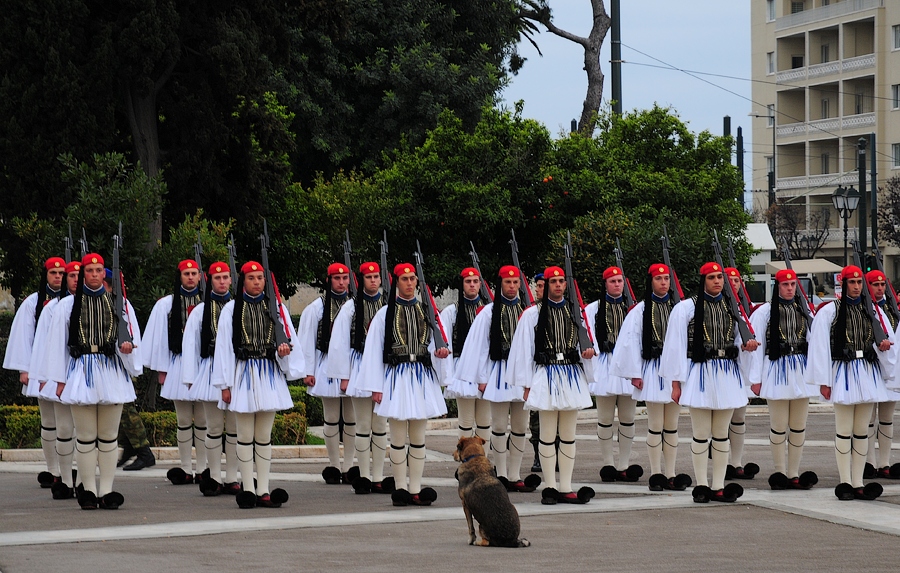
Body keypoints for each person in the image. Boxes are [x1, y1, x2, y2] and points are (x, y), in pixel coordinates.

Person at [43, 252, 143, 510]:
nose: (95, 275)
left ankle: (107, 490)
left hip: (110, 372)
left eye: (99, 271)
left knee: (109, 437)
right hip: (81, 371)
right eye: (90, 271)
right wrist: (58, 380)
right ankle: (87, 490)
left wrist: (129, 350)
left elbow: (132, 337)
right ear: (82, 273)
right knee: (86, 437)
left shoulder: (119, 304)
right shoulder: (66, 306)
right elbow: (57, 345)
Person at [660, 261, 758, 503]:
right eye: (712, 277)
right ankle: (702, 484)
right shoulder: (686, 308)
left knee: (722, 434)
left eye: (720, 277)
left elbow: (740, 339)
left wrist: (747, 345)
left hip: (726, 373)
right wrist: (675, 383)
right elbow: (675, 346)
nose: (717, 281)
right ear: (703, 280)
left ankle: (718, 485)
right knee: (701, 434)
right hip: (700, 372)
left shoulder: (732, 308)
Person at [357, 262, 449, 507]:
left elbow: (437, 343)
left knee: (418, 437)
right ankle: (400, 487)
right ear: (396, 282)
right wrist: (375, 386)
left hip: (420, 375)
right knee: (397, 436)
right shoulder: (384, 313)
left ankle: (416, 488)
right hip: (396, 376)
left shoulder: (427, 311)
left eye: (412, 279)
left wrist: (440, 355)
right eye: (404, 279)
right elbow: (374, 350)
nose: (409, 283)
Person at [212, 260, 303, 508]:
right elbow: (224, 349)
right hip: (242, 373)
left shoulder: (276, 308)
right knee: (244, 435)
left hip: (268, 373)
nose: (256, 282)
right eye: (251, 278)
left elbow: (289, 340)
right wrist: (224, 385)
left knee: (263, 436)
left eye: (260, 278)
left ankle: (263, 488)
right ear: (243, 281)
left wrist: (284, 353)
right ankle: (248, 488)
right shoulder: (231, 309)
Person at [507, 265, 595, 505]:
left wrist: (587, 354)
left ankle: (565, 486)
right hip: (545, 374)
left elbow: (585, 342)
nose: (557, 285)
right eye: (553, 281)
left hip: (570, 373)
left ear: (566, 285)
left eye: (561, 281)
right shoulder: (532, 314)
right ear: (545, 285)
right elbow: (524, 350)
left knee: (568, 435)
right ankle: (550, 486)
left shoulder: (576, 312)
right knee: (547, 434)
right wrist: (525, 383)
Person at [807, 265, 896, 500]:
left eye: (859, 283)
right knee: (844, 431)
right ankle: (845, 480)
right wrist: (824, 380)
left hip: (866, 372)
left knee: (860, 431)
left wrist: (883, 346)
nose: (856, 287)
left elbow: (887, 339)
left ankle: (858, 481)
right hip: (843, 372)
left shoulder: (874, 311)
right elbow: (819, 346)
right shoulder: (830, 311)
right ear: (844, 285)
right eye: (852, 283)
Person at [457, 265, 539, 492]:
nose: (512, 287)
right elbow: (480, 348)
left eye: (515, 283)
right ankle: (501, 473)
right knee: (500, 426)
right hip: (500, 373)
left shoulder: (529, 311)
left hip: (522, 374)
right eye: (507, 283)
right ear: (500, 284)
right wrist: (482, 378)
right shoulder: (489, 312)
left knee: (521, 427)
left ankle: (515, 474)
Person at [611, 263, 691, 491]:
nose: (664, 283)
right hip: (654, 369)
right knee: (656, 425)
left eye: (667, 278)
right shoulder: (640, 310)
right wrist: (634, 373)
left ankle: (671, 473)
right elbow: (630, 342)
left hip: (675, 370)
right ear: (651, 282)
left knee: (672, 426)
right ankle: (657, 473)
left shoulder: (680, 308)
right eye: (659, 279)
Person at [745, 269, 818, 490]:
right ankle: (779, 472)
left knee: (798, 426)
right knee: (778, 426)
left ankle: (794, 473)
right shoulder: (765, 312)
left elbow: (815, 344)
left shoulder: (805, 311)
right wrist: (755, 379)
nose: (789, 289)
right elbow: (757, 348)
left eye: (793, 285)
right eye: (785, 285)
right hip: (776, 369)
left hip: (800, 370)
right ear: (778, 286)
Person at [3, 256, 67, 489]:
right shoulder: (33, 302)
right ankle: (52, 470)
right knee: (48, 421)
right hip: (42, 368)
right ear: (46, 275)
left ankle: (67, 470)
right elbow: (24, 336)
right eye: (53, 273)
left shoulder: (72, 301)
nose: (58, 277)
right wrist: (25, 368)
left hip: (64, 369)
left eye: (61, 273)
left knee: (66, 424)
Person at [327, 261, 389, 494]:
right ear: (361, 280)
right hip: (360, 364)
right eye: (368, 277)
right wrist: (343, 376)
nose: (373, 280)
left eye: (376, 276)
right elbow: (340, 343)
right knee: (363, 425)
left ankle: (378, 475)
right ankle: (363, 474)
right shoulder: (351, 307)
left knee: (380, 425)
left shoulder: (388, 305)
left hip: (382, 367)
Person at [144, 259, 207, 485]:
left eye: (194, 273)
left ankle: (202, 467)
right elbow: (160, 340)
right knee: (183, 420)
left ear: (200, 276)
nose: (190, 277)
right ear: (179, 276)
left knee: (202, 420)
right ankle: (185, 467)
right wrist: (163, 370)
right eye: (186, 273)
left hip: (202, 365)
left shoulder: (208, 303)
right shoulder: (167, 304)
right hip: (179, 363)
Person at [183, 261, 239, 496]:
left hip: (235, 371)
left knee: (235, 428)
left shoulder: (240, 307)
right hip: (209, 369)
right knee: (214, 427)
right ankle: (214, 475)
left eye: (226, 277)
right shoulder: (200, 310)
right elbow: (192, 345)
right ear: (209, 280)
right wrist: (190, 377)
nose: (223, 282)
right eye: (218, 278)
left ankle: (233, 476)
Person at [297, 262, 356, 484]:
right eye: (336, 279)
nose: (341, 283)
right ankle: (334, 465)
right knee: (331, 418)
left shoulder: (355, 305)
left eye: (344, 279)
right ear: (329, 280)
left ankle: (349, 466)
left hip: (350, 365)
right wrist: (308, 371)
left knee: (351, 419)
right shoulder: (317, 308)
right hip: (326, 363)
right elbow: (307, 340)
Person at [586, 266, 642, 483]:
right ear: (605, 283)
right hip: (605, 364)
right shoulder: (594, 308)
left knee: (628, 419)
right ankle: (608, 464)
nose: (617, 284)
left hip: (628, 366)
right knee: (605, 419)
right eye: (613, 281)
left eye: (620, 281)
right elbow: (589, 335)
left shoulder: (634, 309)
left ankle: (624, 465)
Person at [31, 259, 80, 499]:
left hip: (84, 372)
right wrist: (42, 375)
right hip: (61, 370)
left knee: (84, 430)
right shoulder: (53, 307)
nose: (72, 280)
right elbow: (43, 344)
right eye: (71, 276)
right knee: (62, 427)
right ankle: (63, 476)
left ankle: (82, 476)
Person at [440, 267, 491, 443]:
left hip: (485, 367)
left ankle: (482, 461)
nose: (472, 285)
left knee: (485, 422)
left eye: (475, 281)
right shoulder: (451, 312)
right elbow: (445, 343)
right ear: (462, 285)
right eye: (468, 281)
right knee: (466, 421)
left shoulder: (489, 310)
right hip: (462, 367)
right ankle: (467, 460)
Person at [723, 267, 759, 481]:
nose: (734, 284)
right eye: (730, 280)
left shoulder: (747, 308)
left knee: (738, 418)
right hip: (723, 368)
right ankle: (724, 460)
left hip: (741, 369)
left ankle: (735, 462)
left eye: (737, 280)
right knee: (721, 419)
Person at [863, 269, 900, 479]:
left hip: (890, 369)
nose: (879, 288)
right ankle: (869, 462)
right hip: (871, 366)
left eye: (882, 285)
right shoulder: (864, 309)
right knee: (868, 419)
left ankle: (885, 462)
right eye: (875, 285)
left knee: (886, 419)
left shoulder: (892, 309)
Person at [528, 272, 545, 473]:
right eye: (538, 286)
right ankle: (538, 455)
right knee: (536, 418)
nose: (539, 289)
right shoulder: (531, 313)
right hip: (535, 368)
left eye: (542, 285)